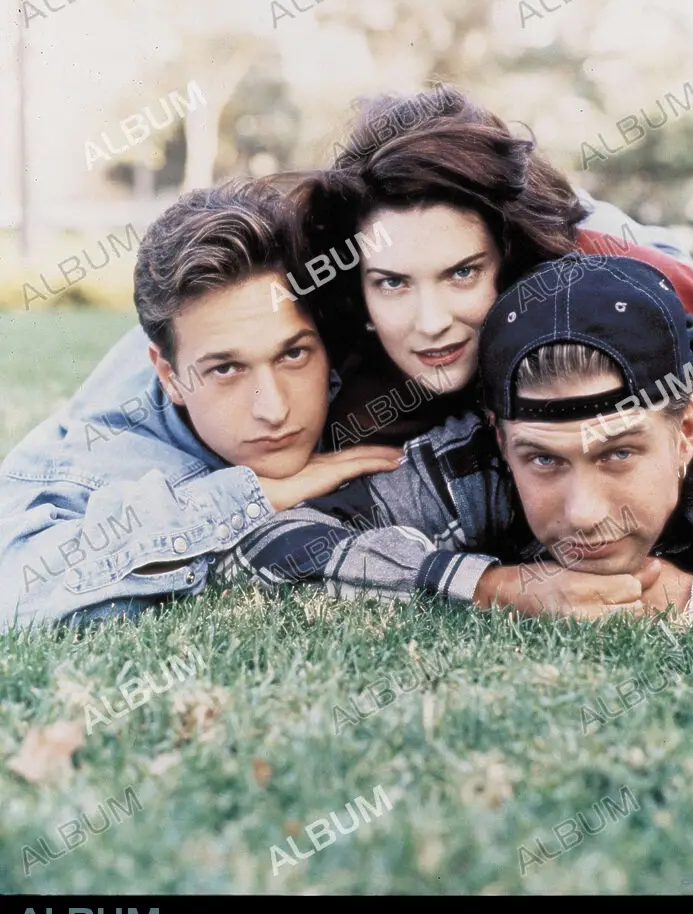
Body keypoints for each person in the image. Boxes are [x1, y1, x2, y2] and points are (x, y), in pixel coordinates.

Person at [295, 86, 693, 538]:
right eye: (393, 282)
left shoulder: (598, 270)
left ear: (507, 259)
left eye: (462, 273)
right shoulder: (329, 346)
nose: (431, 322)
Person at [235, 255, 693, 639]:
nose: (583, 512)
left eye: (618, 454)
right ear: (501, 438)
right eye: (544, 460)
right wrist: (493, 586)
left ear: (687, 429)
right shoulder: (481, 463)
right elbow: (265, 546)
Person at [0, 179, 400, 631]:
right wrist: (249, 497)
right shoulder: (99, 455)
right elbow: (15, 592)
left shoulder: (343, 313)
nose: (273, 410)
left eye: (292, 354)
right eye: (226, 370)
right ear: (170, 376)